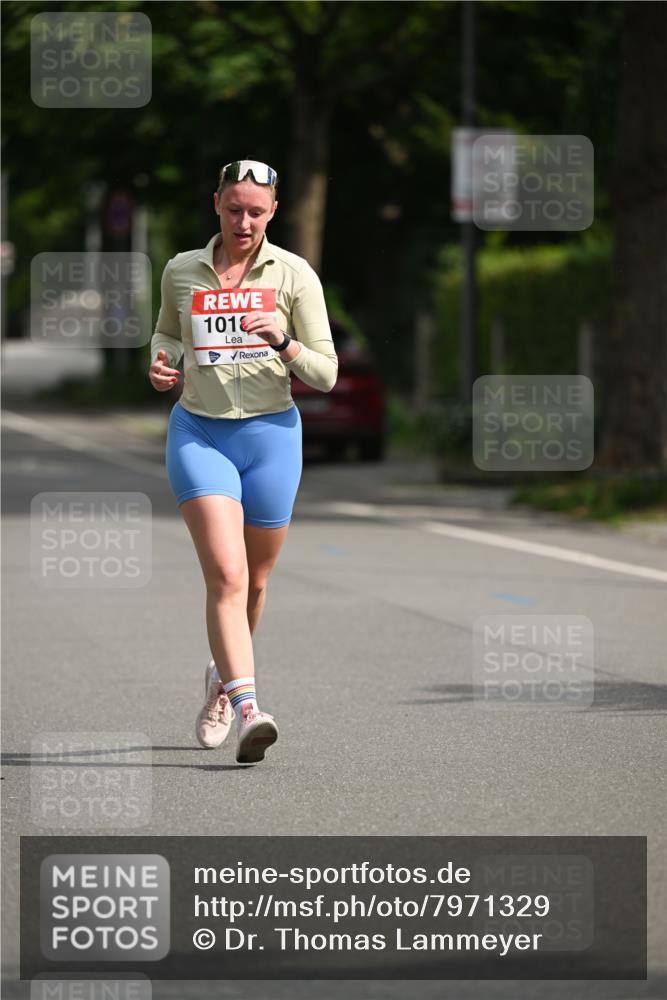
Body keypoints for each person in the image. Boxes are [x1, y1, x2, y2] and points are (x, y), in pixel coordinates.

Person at [149, 159, 338, 764]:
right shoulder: (183, 270)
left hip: (272, 437)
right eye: (234, 209)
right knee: (227, 576)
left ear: (274, 212)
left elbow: (326, 373)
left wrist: (281, 342)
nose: (244, 221)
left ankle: (221, 683)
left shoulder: (294, 275)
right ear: (216, 205)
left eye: (256, 212)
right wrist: (161, 362)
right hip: (199, 434)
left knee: (256, 581)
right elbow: (166, 335)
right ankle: (249, 706)